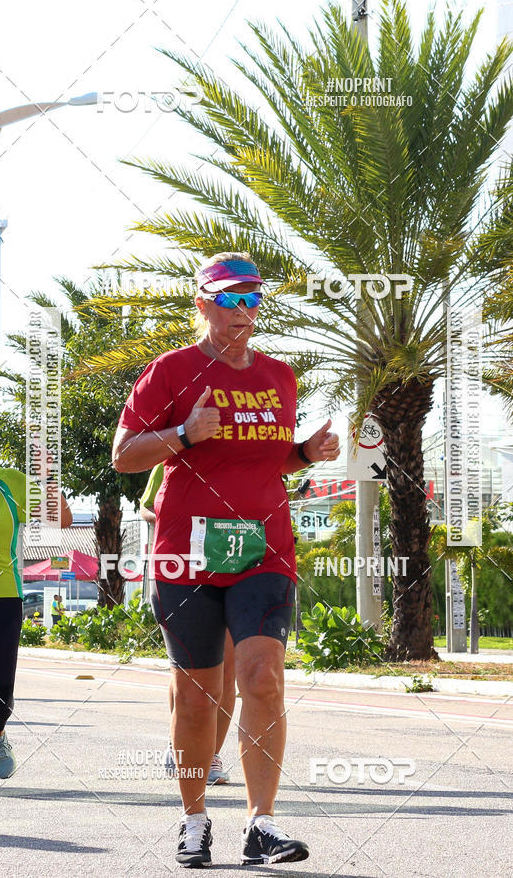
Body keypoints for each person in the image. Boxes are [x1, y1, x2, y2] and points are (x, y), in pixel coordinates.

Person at [113, 252, 339, 868]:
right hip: (186, 554)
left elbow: (267, 462)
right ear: (204, 304)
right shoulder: (170, 372)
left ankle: (262, 824)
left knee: (263, 679)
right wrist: (186, 434)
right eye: (230, 298)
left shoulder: (279, 377)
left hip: (263, 548)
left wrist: (305, 452)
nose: (243, 309)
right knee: (197, 698)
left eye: (252, 298)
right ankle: (193, 819)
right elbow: (125, 456)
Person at [0, 410, 72, 796]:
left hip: (3, 594)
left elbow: (64, 520)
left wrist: (47, 479)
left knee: (0, 687)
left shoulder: (11, 482)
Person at [140, 464, 235, 786]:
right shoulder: (170, 457)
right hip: (184, 567)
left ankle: (211, 756)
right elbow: (145, 506)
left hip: (235, 565)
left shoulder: (245, 454)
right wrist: (176, 518)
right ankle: (178, 743)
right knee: (187, 671)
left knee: (228, 671)